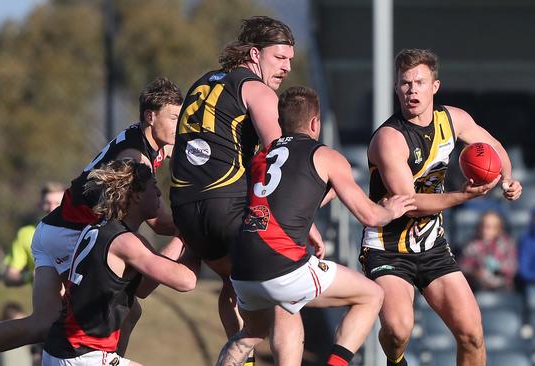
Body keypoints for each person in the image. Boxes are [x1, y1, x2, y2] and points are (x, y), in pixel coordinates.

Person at [0, 77, 187, 366]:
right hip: (70, 235)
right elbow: (157, 221)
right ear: (150, 117)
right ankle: (104, 359)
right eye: (175, 117)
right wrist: (192, 225)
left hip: (51, 230)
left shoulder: (140, 140)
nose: (181, 125)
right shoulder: (135, 160)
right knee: (129, 305)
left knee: (43, 322)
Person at [216, 86, 416, 366]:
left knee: (250, 333)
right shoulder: (325, 156)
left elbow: (286, 199)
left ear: (281, 122)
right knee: (371, 295)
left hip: (243, 267)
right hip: (283, 265)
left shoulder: (261, 156)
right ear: (314, 122)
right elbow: (370, 216)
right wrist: (390, 210)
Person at [359, 49, 523, 366]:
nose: (412, 90)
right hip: (388, 247)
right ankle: (396, 360)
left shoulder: (453, 119)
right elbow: (410, 204)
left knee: (472, 335)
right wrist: (463, 197)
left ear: (435, 86)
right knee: (397, 330)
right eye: (405, 83)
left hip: (432, 247)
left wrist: (507, 179)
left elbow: (494, 147)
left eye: (420, 82)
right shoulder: (389, 139)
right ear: (396, 88)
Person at [169, 16, 306, 365]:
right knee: (286, 298)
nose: (287, 67)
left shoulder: (201, 84)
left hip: (186, 210)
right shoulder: (257, 90)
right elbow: (283, 158)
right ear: (255, 54)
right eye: (280, 58)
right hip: (226, 207)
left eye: (290, 59)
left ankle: (243, 361)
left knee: (236, 285)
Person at [41, 160, 197, 366]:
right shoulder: (126, 242)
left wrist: (182, 238)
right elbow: (186, 282)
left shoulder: (99, 227)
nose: (159, 194)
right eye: (154, 187)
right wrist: (194, 237)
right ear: (137, 195)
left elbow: (142, 288)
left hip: (61, 349)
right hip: (82, 355)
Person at [2, 183, 65, 287]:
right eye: (47, 203)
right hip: (45, 300)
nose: (52, 208)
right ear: (40, 205)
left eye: (58, 203)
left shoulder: (79, 231)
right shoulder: (26, 234)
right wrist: (30, 276)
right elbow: (8, 277)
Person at [459, 210, 517, 291]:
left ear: (498, 229)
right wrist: (475, 272)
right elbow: (463, 266)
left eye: (489, 227)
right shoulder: (472, 244)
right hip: (478, 286)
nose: (484, 230)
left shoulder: (507, 243)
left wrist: (495, 271)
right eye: (482, 226)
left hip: (502, 286)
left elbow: (511, 268)